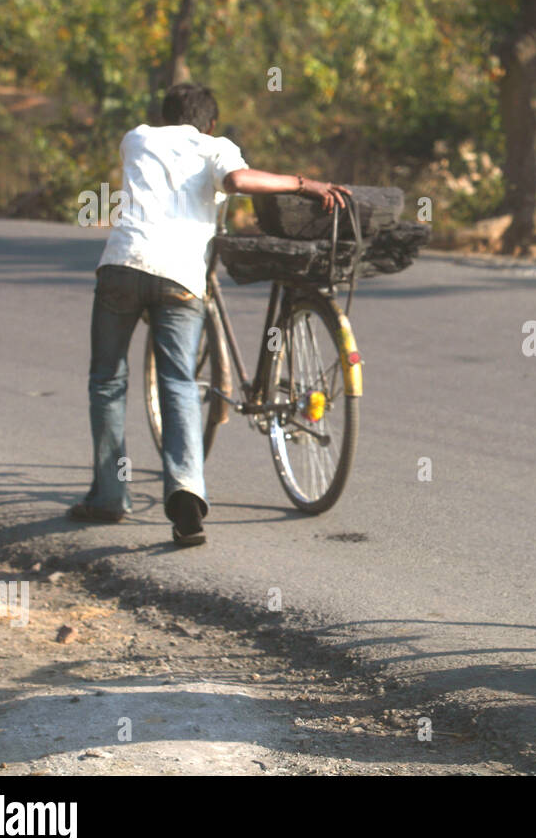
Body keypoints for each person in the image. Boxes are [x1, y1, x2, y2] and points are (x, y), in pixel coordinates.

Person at [67, 82, 351, 545]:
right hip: (180, 278)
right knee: (178, 382)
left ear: (164, 117)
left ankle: (108, 496)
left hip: (122, 266)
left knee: (107, 381)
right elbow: (238, 183)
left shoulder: (137, 137)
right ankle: (185, 495)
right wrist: (304, 183)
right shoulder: (216, 147)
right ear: (211, 123)